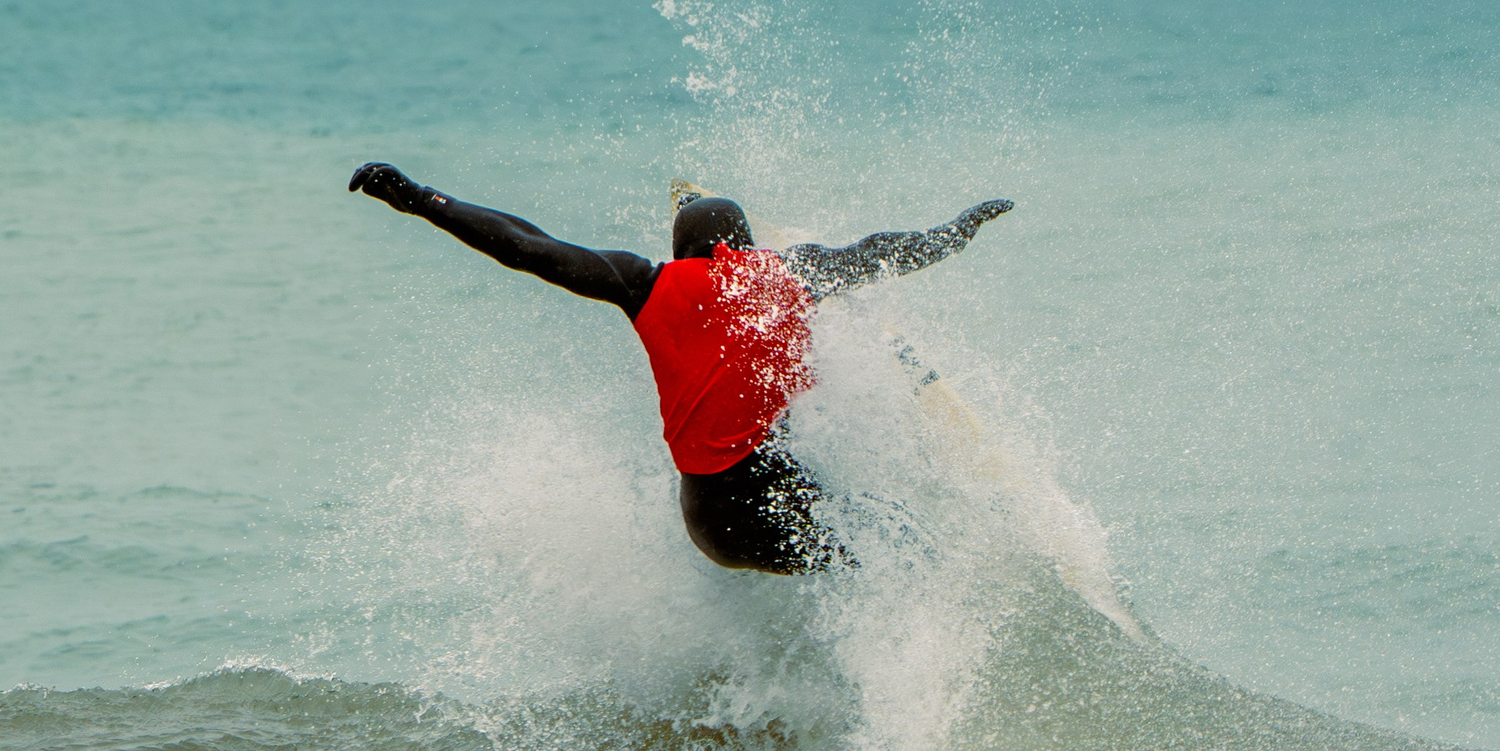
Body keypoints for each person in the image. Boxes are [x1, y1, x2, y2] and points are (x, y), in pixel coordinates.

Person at [348, 162, 1013, 574]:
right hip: (775, 499)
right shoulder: (789, 271)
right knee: (893, 547)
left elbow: (528, 246)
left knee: (787, 475)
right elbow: (882, 251)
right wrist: (956, 231)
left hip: (709, 521)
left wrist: (421, 198)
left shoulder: (644, 283)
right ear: (741, 244)